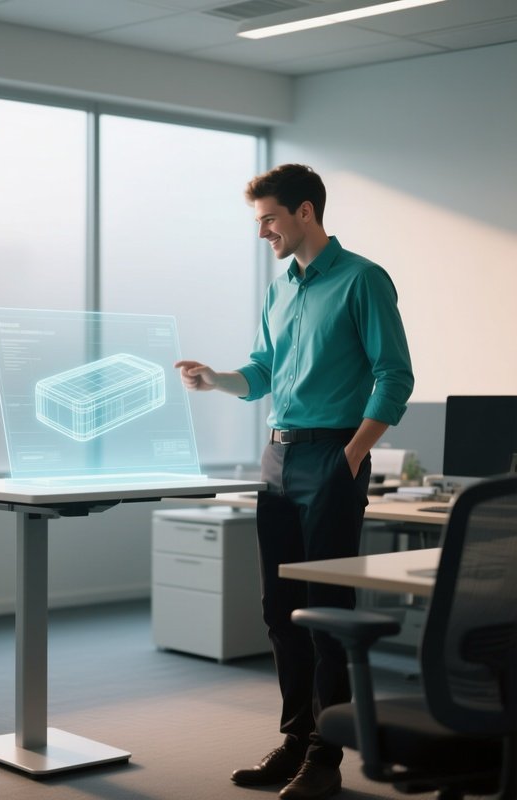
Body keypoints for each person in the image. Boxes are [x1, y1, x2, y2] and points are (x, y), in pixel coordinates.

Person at [175, 164, 413, 800]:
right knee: (280, 611)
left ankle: (325, 756)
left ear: (305, 212)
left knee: (326, 611)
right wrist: (215, 379)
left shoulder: (363, 279)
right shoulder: (280, 290)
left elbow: (395, 376)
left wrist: (353, 456)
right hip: (277, 461)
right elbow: (262, 371)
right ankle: (294, 737)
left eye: (269, 220)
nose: (263, 233)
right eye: (259, 223)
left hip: (332, 459)